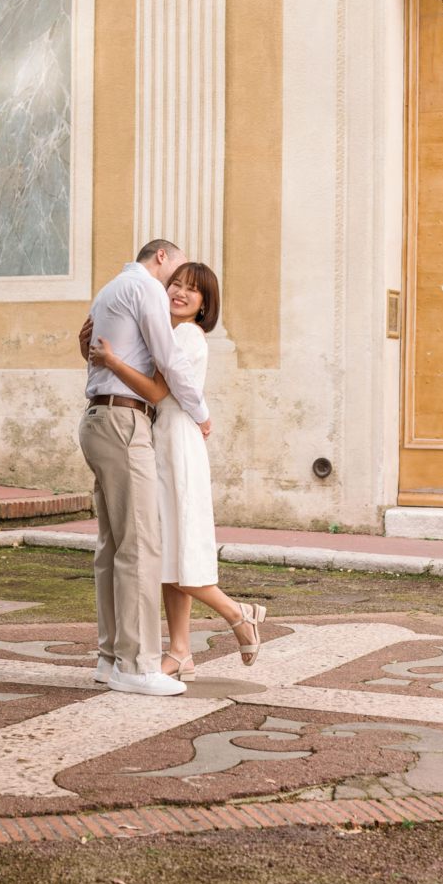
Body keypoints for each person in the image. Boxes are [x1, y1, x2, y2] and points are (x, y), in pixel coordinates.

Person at [84, 262, 265, 680]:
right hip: (159, 437)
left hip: (174, 444)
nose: (180, 292)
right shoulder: (162, 333)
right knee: (167, 548)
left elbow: (156, 391)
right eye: (176, 284)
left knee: (171, 549)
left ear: (205, 305)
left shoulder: (184, 334)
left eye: (193, 290)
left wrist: (110, 360)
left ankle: (239, 613)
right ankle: (180, 651)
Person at [78, 239, 209, 697]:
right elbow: (168, 362)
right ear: (161, 258)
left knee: (113, 546)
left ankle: (110, 657)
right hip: (123, 419)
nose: (174, 284)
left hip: (97, 418)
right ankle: (136, 666)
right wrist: (203, 412)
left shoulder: (108, 290)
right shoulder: (146, 289)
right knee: (141, 546)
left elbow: (99, 348)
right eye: (175, 272)